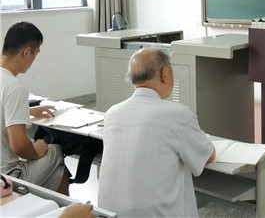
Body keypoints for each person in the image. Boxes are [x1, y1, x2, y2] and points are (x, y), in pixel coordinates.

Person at [98, 48, 216, 217]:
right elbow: (207, 156)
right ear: (165, 74)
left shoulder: (112, 114)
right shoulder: (178, 115)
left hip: (110, 214)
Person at [1, 22, 69, 195]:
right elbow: (19, 146)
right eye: (35, 54)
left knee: (57, 171)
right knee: (55, 151)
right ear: (27, 52)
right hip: (7, 177)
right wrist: (36, 151)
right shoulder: (14, 87)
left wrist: (27, 111)